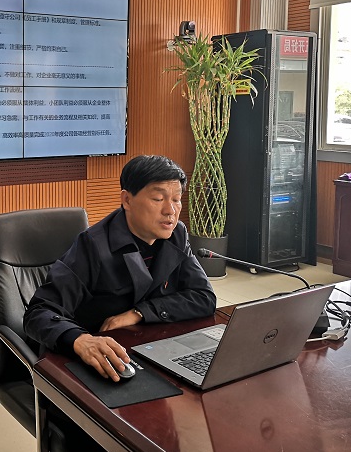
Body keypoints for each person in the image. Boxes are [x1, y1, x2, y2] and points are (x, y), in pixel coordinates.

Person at [24, 155, 217, 382]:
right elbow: (39, 313)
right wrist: (80, 339)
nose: (170, 210)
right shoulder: (93, 245)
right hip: (96, 358)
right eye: (158, 199)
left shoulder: (177, 234)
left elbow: (203, 297)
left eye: (176, 199)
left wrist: (139, 313)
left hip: (147, 349)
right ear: (126, 200)